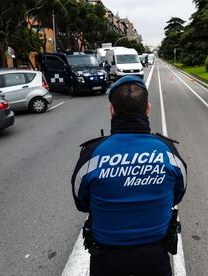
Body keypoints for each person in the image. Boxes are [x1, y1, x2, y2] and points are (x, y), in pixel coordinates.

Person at [71, 76, 187, 276]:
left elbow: (82, 203)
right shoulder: (168, 152)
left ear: (111, 110)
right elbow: (177, 194)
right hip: (155, 258)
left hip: (106, 259)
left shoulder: (92, 153)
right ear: (148, 109)